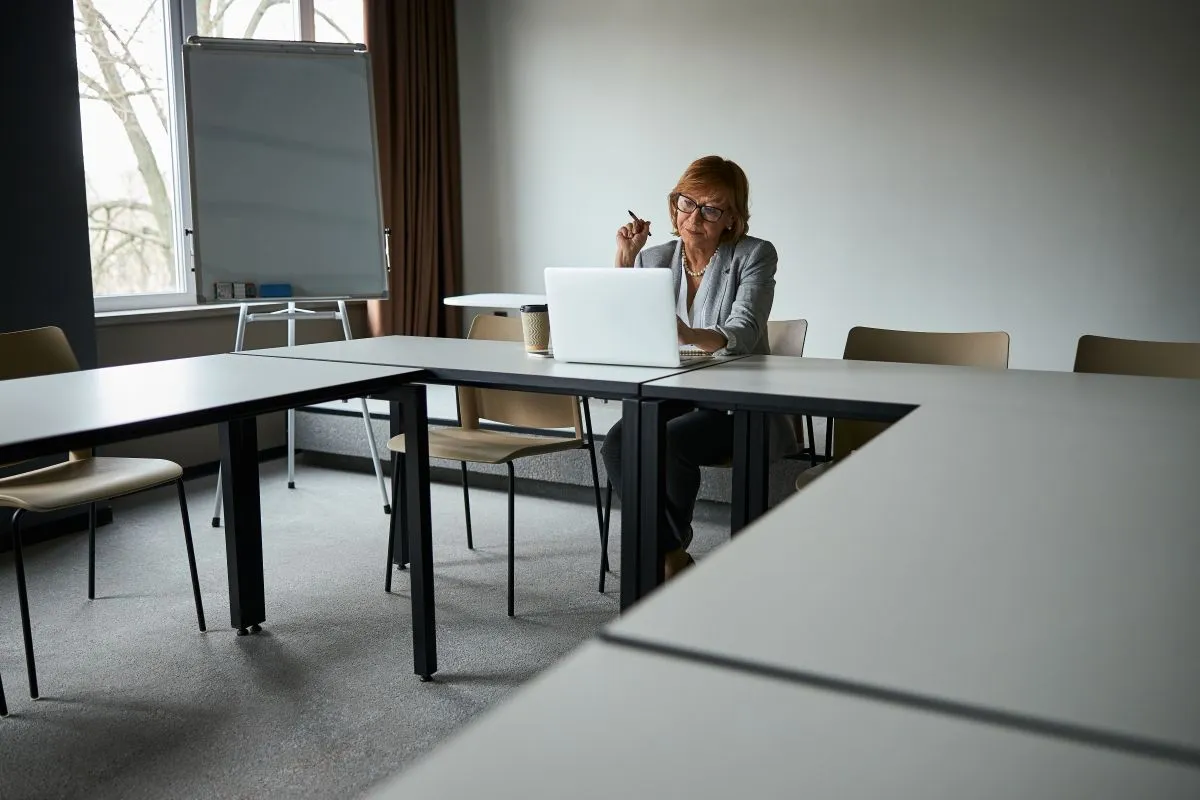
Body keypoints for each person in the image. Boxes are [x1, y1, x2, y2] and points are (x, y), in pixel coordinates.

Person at [601, 155, 794, 580]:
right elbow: (624, 328)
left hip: (740, 406)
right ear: (674, 206)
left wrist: (687, 334)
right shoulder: (653, 258)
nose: (695, 217)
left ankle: (663, 555)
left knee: (665, 442)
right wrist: (623, 260)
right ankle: (672, 555)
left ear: (732, 217)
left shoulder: (755, 255)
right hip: (673, 393)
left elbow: (742, 331)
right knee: (617, 443)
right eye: (688, 203)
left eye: (711, 208)